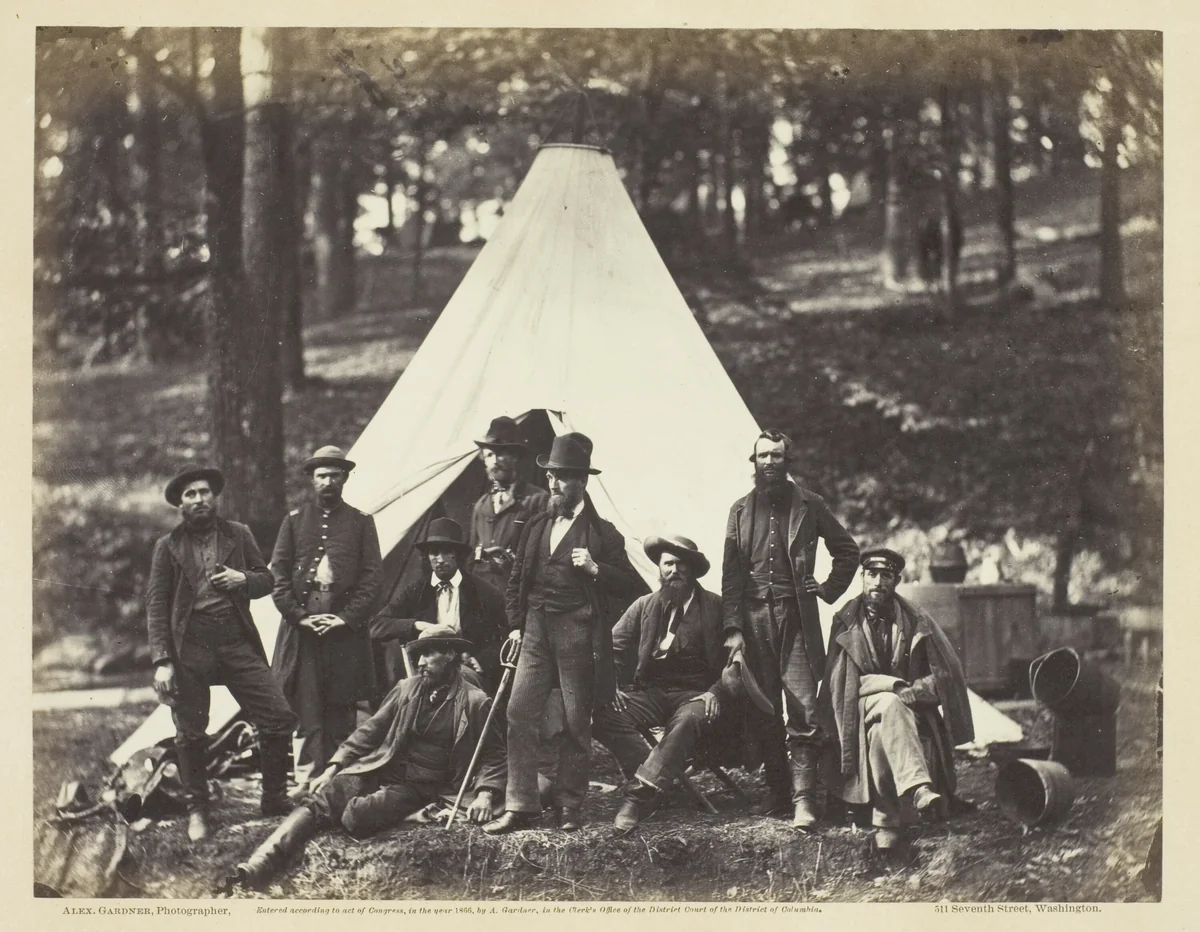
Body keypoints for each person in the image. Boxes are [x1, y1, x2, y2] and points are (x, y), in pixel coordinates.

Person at [223, 626, 506, 892]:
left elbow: (494, 753)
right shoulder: (408, 688)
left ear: (451, 655)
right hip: (384, 766)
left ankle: (418, 814)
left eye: (429, 654)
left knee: (355, 816)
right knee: (326, 796)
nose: (420, 662)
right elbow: (370, 730)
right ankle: (259, 865)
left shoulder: (475, 701)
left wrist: (485, 793)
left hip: (419, 785)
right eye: (419, 654)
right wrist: (333, 767)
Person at [483, 432, 645, 834]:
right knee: (518, 712)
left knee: (576, 722)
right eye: (552, 475)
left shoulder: (604, 533)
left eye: (563, 477)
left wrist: (596, 570)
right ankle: (521, 804)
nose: (554, 484)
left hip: (578, 632)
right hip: (536, 630)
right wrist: (518, 626)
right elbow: (517, 579)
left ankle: (570, 805)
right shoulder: (536, 524)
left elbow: (631, 585)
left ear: (582, 482)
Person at [146, 465, 297, 842]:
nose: (199, 499)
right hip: (190, 647)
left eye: (204, 492)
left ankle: (274, 799)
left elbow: (268, 579)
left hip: (235, 640)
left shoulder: (238, 535)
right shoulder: (167, 547)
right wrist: (163, 661)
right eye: (190, 495)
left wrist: (242, 579)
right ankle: (198, 810)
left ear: (215, 497)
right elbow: (156, 604)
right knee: (190, 733)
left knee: (277, 716)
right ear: (180, 504)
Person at [721, 429, 860, 830]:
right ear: (754, 463)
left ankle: (804, 800)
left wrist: (828, 588)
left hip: (796, 618)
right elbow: (731, 574)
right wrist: (733, 628)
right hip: (753, 618)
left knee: (803, 707)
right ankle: (778, 794)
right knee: (763, 708)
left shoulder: (810, 505)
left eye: (777, 457)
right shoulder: (739, 511)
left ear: (787, 463)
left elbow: (847, 551)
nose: (769, 463)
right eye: (763, 456)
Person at [822, 548, 974, 855]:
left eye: (886, 576)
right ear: (861, 578)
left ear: (897, 580)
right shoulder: (845, 622)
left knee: (884, 729)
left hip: (908, 712)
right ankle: (919, 787)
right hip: (859, 709)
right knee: (891, 704)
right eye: (872, 575)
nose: (878, 582)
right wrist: (893, 685)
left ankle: (886, 824)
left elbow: (943, 676)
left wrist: (915, 692)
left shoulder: (916, 620)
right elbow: (841, 686)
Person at [592, 535, 732, 833]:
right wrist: (611, 684)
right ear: (659, 568)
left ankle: (638, 797)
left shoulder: (717, 607)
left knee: (685, 722)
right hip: (652, 692)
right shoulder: (645, 605)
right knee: (603, 713)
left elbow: (736, 658)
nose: (674, 570)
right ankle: (659, 779)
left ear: (693, 570)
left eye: (682, 564)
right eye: (668, 563)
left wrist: (715, 691)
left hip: (697, 694)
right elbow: (612, 648)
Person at [271, 445, 382, 789]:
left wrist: (346, 619)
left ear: (345, 478)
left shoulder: (361, 523)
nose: (328, 481)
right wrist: (300, 617)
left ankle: (337, 781)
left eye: (335, 474)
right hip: (303, 630)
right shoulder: (293, 522)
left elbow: (372, 579)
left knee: (342, 706)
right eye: (322, 475)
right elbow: (279, 577)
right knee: (305, 709)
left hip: (344, 631)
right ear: (312, 480)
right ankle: (306, 783)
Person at [369, 517, 507, 693]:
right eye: (434, 553)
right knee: (401, 695)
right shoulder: (416, 591)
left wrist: (483, 660)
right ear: (428, 557)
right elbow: (376, 625)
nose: (440, 559)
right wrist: (416, 625)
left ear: (457, 554)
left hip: (468, 674)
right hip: (426, 674)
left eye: (446, 552)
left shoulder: (484, 592)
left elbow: (508, 635)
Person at [467, 416, 549, 590]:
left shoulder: (537, 499)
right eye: (489, 454)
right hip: (483, 597)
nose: (495, 460)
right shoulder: (481, 506)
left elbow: (544, 557)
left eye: (501, 453)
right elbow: (471, 557)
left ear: (515, 457)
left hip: (517, 596)